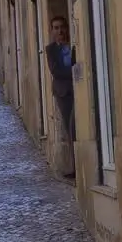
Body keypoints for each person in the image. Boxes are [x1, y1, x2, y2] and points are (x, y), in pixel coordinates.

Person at [45, 15, 76, 178]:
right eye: (56, 28)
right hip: (64, 92)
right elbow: (55, 71)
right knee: (70, 127)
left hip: (79, 89)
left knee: (76, 125)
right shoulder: (50, 50)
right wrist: (74, 72)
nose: (60, 31)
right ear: (52, 31)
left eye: (62, 27)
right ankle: (75, 166)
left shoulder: (74, 45)